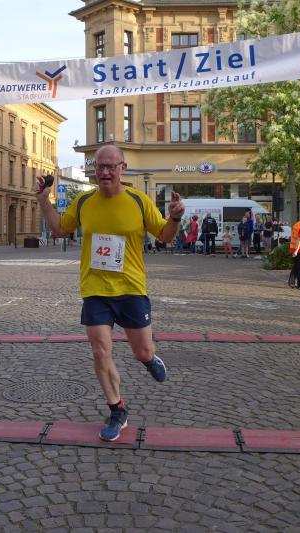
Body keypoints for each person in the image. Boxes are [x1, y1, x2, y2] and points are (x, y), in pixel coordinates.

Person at [35, 145, 184, 442]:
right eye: (99, 167)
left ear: (122, 168)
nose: (104, 172)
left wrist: (175, 219)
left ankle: (149, 359)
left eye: (110, 167)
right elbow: (60, 229)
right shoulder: (84, 201)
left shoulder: (139, 201)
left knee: (142, 350)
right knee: (100, 350)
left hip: (131, 288)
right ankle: (117, 410)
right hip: (95, 289)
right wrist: (43, 200)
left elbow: (165, 236)